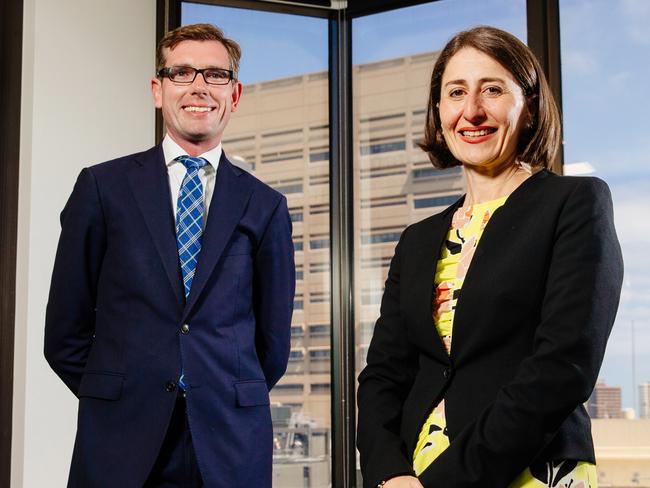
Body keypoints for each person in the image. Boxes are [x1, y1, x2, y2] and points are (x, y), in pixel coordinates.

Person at [357, 26, 623, 488]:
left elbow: (565, 364)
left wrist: (446, 482)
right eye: (455, 92)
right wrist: (389, 473)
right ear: (439, 111)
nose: (472, 111)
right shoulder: (417, 239)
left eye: (493, 90)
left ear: (531, 106)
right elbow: (383, 375)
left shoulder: (576, 202)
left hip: (528, 471)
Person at [44, 23, 295, 487]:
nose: (199, 86)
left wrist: (212, 390)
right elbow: (64, 331)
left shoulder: (265, 206)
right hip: (121, 441)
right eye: (182, 73)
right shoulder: (103, 189)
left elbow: (272, 346)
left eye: (216, 75)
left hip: (227, 444)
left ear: (234, 95)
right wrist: (120, 394)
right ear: (158, 90)